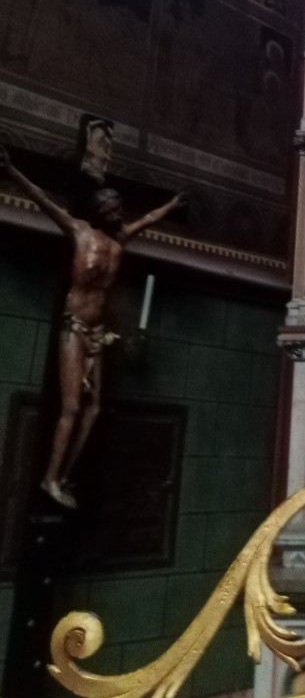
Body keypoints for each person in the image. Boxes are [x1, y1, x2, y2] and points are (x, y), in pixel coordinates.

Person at [0, 144, 186, 508]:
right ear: (98, 212)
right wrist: (11, 171)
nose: (117, 214)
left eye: (119, 208)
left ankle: (65, 476)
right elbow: (43, 200)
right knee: (71, 407)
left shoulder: (120, 240)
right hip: (74, 327)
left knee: (94, 409)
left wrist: (173, 204)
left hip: (99, 333)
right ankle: (49, 478)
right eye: (110, 209)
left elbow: (149, 218)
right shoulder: (79, 231)